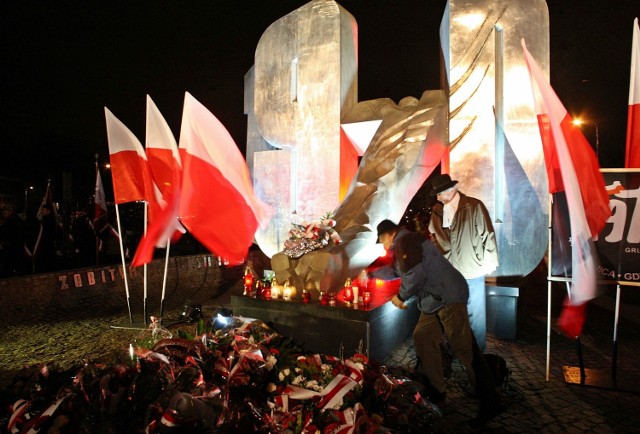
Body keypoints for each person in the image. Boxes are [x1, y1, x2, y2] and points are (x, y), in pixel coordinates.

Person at [376, 219, 505, 427]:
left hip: (447, 297)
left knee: (465, 348)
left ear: (389, 234)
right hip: (433, 301)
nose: (383, 246)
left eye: (381, 240)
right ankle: (437, 392)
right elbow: (397, 271)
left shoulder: (406, 241)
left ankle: (491, 400)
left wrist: (400, 296)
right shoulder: (406, 243)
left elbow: (415, 274)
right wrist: (371, 274)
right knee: (423, 336)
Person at [428, 174, 498, 351]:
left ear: (450, 190)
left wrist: (489, 261)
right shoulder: (437, 210)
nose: (437, 197)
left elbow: (487, 234)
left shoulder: (473, 206)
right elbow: (433, 236)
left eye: (439, 193)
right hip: (450, 273)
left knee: (476, 315)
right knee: (455, 314)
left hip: (472, 269)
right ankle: (458, 350)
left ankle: (477, 353)